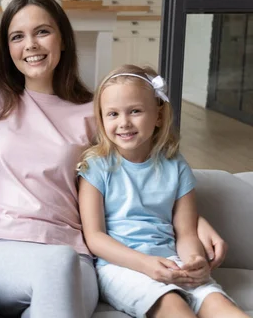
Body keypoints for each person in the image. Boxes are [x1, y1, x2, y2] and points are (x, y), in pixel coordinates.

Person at [0, 0, 229, 318]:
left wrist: (197, 222)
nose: (31, 45)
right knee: (58, 265)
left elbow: (144, 170)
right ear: (7, 48)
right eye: (17, 36)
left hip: (73, 255)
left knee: (61, 265)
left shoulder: (96, 111)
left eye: (43, 31)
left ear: (63, 40)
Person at [77, 65, 247, 318]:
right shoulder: (95, 167)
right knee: (174, 306)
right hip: (121, 267)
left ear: (157, 116)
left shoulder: (176, 166)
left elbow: (187, 232)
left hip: (171, 261)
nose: (124, 123)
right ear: (101, 119)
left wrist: (194, 262)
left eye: (135, 111)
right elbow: (95, 237)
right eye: (112, 114)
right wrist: (146, 265)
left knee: (223, 308)